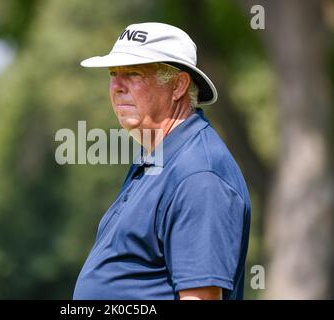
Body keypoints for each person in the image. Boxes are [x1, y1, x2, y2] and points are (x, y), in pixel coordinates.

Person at [73, 22, 251, 300]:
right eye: (113, 73)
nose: (117, 86)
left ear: (179, 85)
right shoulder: (158, 157)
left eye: (133, 73)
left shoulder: (199, 174)